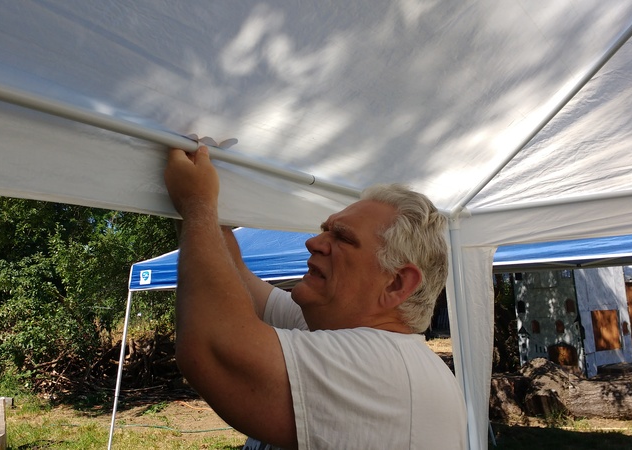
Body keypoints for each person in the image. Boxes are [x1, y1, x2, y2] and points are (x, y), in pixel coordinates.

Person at [164, 145, 467, 450]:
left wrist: (197, 204)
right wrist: (200, 194)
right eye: (325, 231)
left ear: (396, 284)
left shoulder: (383, 366)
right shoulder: (343, 332)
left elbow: (215, 344)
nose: (313, 242)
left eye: (342, 237)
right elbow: (233, 273)